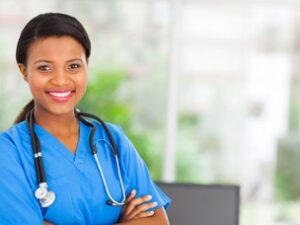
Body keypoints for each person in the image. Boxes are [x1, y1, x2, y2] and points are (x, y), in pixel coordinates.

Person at [0, 12, 170, 225]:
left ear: (86, 65)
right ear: (24, 71)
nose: (61, 80)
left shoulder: (112, 140)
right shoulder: (8, 151)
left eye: (73, 66)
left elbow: (158, 221)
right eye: (45, 67)